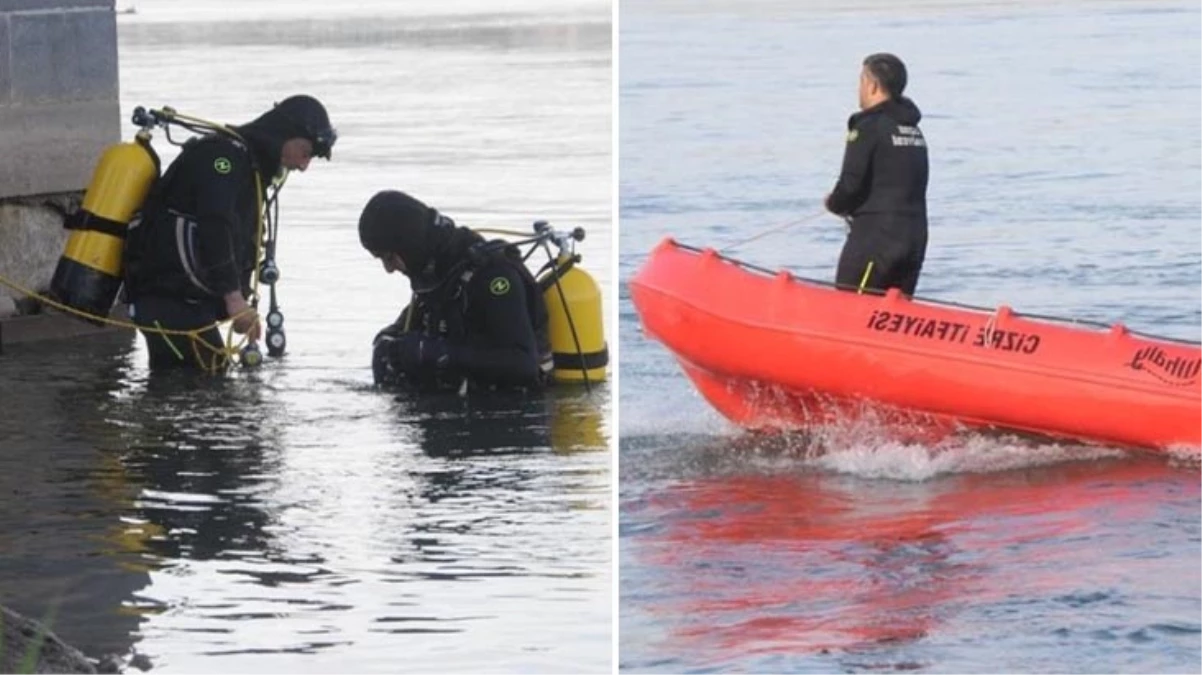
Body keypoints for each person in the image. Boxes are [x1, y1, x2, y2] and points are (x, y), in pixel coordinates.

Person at [122, 95, 336, 370]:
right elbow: (215, 224)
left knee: (206, 387)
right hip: (166, 303)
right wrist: (233, 299)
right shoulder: (222, 158)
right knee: (198, 385)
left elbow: (234, 239)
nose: (304, 165)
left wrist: (235, 303)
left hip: (188, 304)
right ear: (285, 135)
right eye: (305, 152)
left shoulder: (248, 165)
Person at [358, 189, 553, 393]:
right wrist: (385, 344)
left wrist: (437, 354)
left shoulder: (494, 276)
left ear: (409, 244)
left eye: (389, 258)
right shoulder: (437, 277)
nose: (389, 269)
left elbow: (523, 364)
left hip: (516, 413)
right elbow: (406, 329)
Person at [825, 53, 929, 296]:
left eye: (861, 80)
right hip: (914, 238)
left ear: (872, 85)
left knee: (851, 307)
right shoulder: (913, 130)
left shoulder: (868, 126)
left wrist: (833, 203)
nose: (859, 88)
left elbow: (850, 184)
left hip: (876, 240)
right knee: (892, 319)